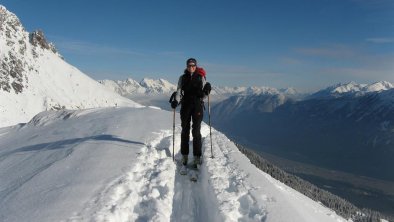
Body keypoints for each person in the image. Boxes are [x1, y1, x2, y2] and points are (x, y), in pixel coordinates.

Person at [171, 58, 211, 170]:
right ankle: (184, 156)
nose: (191, 67)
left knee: (196, 131)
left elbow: (204, 95)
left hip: (197, 106)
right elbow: (179, 91)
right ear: (186, 66)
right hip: (186, 106)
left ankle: (197, 156)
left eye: (193, 65)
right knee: (185, 130)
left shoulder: (200, 77)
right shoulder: (182, 78)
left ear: (196, 66)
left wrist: (207, 90)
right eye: (189, 65)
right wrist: (176, 101)